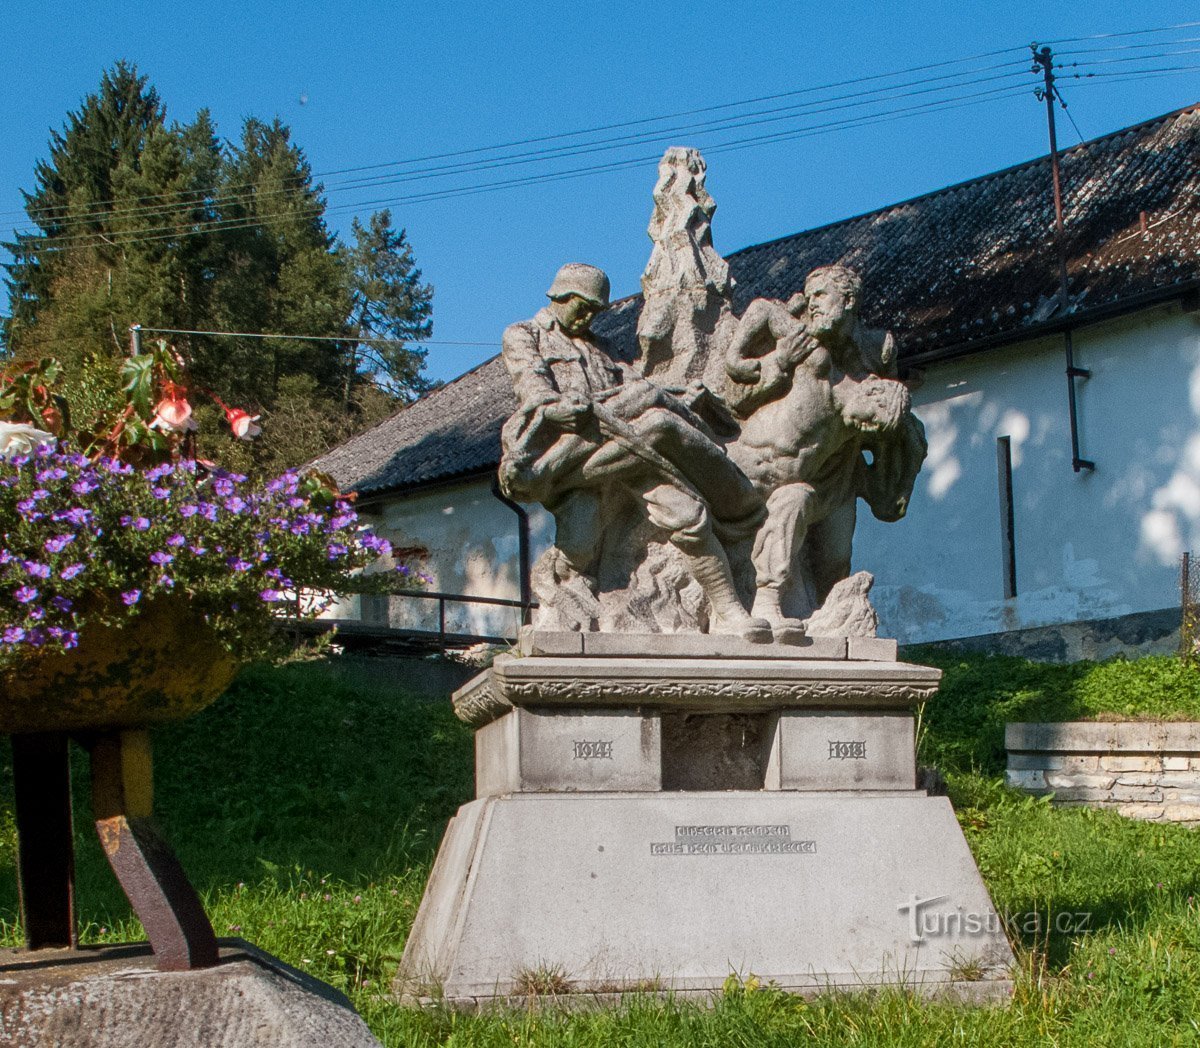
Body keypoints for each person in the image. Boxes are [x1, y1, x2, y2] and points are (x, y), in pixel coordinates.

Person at [499, 263, 769, 638]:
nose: (588, 316)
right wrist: (557, 408)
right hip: (568, 452)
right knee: (580, 546)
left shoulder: (604, 348)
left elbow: (634, 383)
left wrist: (680, 397)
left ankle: (729, 612)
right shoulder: (524, 334)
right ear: (559, 296)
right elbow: (532, 387)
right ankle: (561, 573)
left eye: (596, 310)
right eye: (582, 306)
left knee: (686, 513)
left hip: (624, 444)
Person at [725, 265, 925, 627]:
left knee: (835, 559)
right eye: (810, 296)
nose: (813, 305)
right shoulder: (804, 341)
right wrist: (768, 361)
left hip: (838, 464)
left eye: (821, 296)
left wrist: (885, 478)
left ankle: (831, 629)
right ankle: (780, 605)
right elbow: (736, 398)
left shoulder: (878, 347)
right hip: (783, 459)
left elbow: (890, 411)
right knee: (789, 509)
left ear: (848, 301)